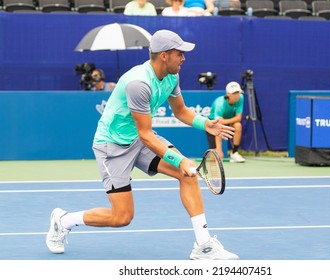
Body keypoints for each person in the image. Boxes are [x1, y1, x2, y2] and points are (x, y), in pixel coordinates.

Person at [46, 29, 239, 260]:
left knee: (186, 174)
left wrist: (205, 124)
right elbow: (147, 135)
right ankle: (64, 220)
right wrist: (181, 160)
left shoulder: (171, 76)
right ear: (165, 55)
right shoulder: (139, 83)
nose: (184, 58)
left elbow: (181, 111)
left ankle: (203, 245)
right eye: (180, 53)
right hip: (112, 147)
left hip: (138, 138)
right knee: (122, 217)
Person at [207, 81, 245, 163]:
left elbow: (239, 118)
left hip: (226, 121)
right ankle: (218, 150)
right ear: (228, 94)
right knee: (214, 156)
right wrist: (219, 150)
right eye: (234, 93)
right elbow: (218, 122)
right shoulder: (219, 103)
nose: (236, 96)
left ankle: (234, 153)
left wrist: (226, 121)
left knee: (238, 125)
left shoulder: (241, 98)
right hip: (212, 124)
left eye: (238, 93)